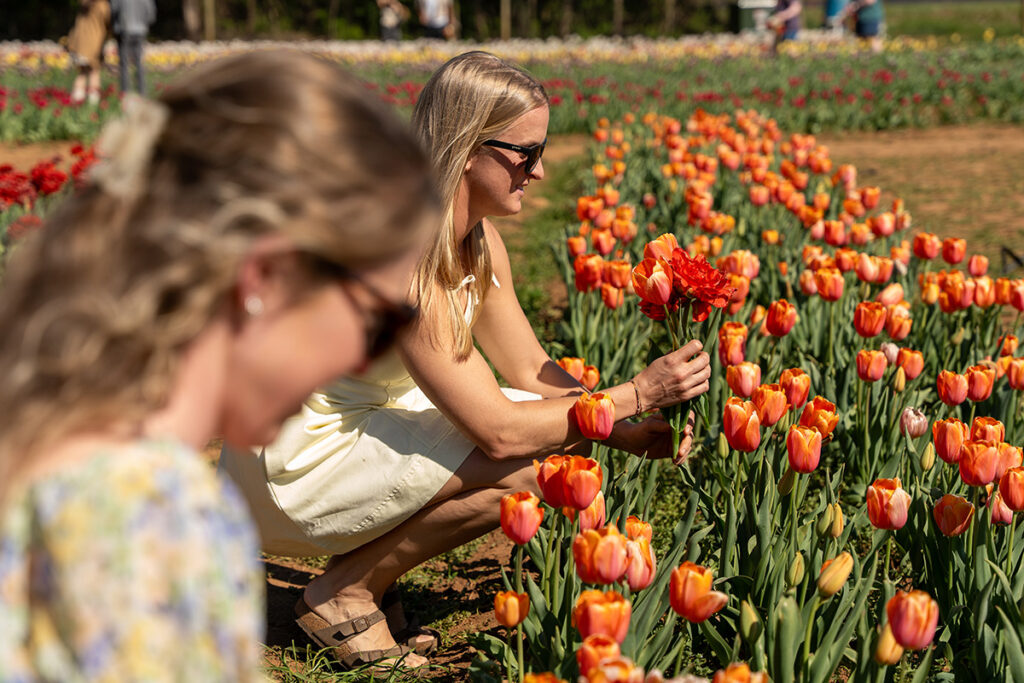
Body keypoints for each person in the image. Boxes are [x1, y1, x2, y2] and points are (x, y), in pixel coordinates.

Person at [219, 50, 712, 669]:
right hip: (298, 455)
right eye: (525, 153)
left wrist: (627, 431)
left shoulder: (477, 239)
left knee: (558, 424)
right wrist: (636, 394)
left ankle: (367, 571)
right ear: (468, 147)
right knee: (537, 460)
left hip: (365, 414)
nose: (537, 171)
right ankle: (345, 592)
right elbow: (499, 432)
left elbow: (530, 369)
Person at [0, 50, 436, 680]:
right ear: (266, 276)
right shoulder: (156, 514)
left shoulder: (42, 431)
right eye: (378, 322)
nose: (365, 357)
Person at [66, 0, 110, 105]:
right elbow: (107, 21)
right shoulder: (102, 5)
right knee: (94, 72)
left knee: (82, 73)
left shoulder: (83, 4)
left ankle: (77, 100)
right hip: (94, 43)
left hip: (80, 44)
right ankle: (93, 104)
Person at [111, 0, 156, 94]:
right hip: (140, 30)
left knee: (124, 64)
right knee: (139, 63)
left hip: (124, 31)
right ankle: (142, 92)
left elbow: (114, 10)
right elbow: (151, 14)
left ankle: (125, 93)